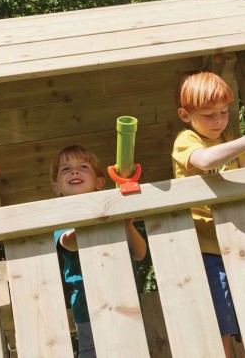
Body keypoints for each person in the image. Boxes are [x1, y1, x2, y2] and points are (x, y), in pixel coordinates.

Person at [172, 71, 245, 358]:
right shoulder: (186, 140)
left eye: (223, 112)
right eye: (209, 114)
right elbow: (206, 160)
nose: (219, 120)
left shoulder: (228, 138)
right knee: (221, 321)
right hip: (206, 248)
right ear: (186, 115)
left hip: (239, 242)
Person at [51, 145, 147, 358]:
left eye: (83, 167)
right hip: (88, 309)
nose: (74, 172)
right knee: (93, 352)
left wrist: (127, 226)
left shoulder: (111, 213)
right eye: (66, 169)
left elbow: (139, 253)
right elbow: (69, 242)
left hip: (125, 299)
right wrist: (98, 221)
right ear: (56, 187)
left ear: (100, 182)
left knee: (132, 349)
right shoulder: (62, 217)